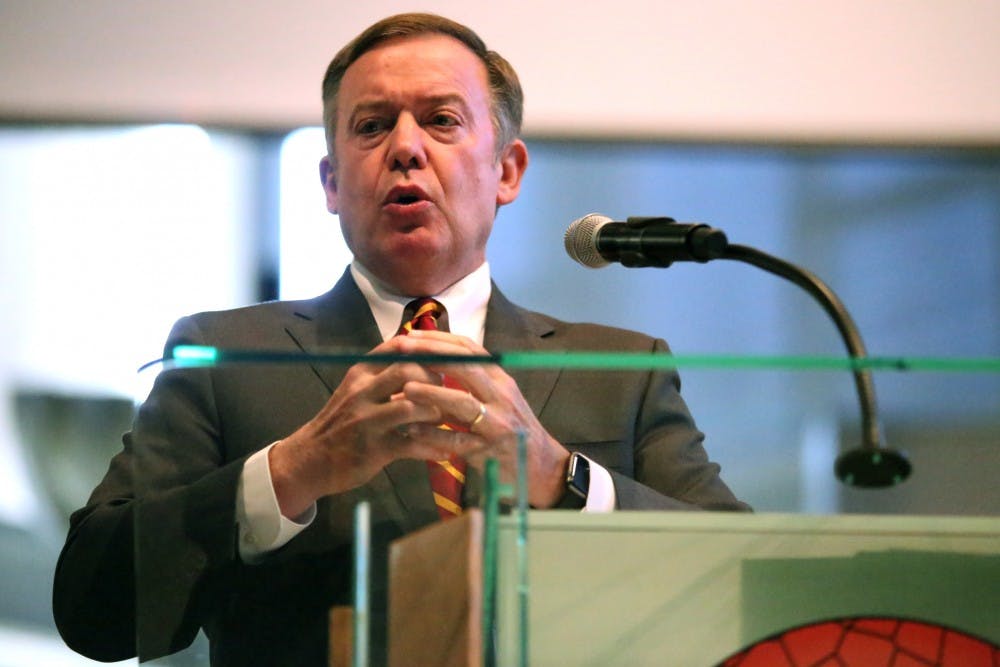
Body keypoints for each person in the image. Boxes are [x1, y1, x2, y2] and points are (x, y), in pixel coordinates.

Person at [53, 12, 748, 666]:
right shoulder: (223, 359)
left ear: (507, 171)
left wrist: (561, 479)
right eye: (373, 126)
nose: (406, 148)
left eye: (442, 120)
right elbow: (92, 606)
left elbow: (744, 580)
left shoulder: (621, 370)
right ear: (331, 181)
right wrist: (293, 470)